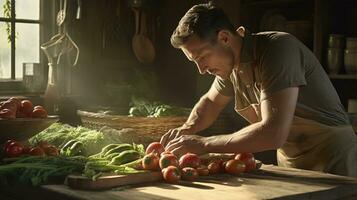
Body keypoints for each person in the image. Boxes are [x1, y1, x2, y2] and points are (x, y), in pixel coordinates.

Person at [160, 3, 357, 177]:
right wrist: (185, 129)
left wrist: (203, 144)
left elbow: (273, 132)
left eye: (202, 57)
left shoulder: (277, 50)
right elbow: (211, 103)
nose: (201, 70)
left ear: (224, 38)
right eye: (194, 61)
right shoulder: (230, 67)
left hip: (334, 160)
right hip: (292, 164)